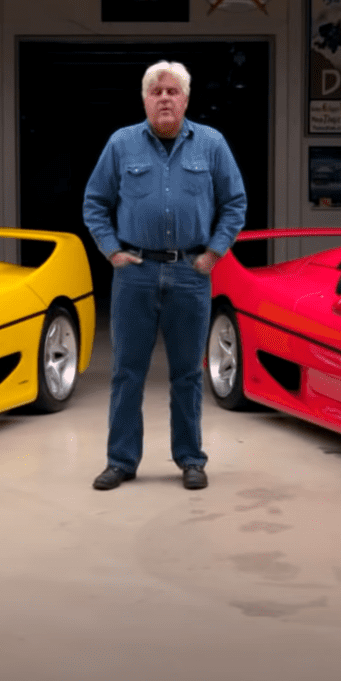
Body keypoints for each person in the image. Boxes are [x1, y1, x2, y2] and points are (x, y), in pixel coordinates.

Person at [83, 60, 247, 490]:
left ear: (186, 99)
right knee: (126, 371)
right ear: (144, 100)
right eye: (156, 92)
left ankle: (191, 459)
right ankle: (120, 461)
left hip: (191, 274)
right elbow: (94, 203)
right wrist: (112, 251)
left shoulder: (211, 144)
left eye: (173, 91)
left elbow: (235, 202)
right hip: (134, 273)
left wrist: (213, 253)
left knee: (188, 374)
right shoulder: (121, 144)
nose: (164, 99)